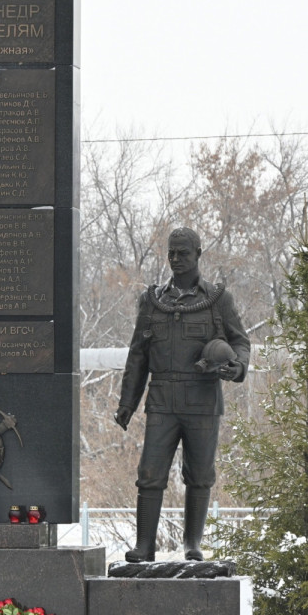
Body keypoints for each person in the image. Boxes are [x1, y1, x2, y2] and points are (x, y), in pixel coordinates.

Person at [115, 227, 251, 562]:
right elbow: (138, 356)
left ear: (198, 254)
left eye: (183, 253)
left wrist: (237, 367)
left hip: (203, 401)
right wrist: (127, 403)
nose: (176, 259)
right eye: (172, 253)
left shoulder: (218, 300)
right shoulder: (152, 301)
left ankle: (192, 545)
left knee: (200, 474)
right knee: (149, 473)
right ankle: (145, 546)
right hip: (162, 400)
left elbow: (240, 342)